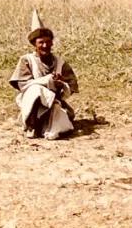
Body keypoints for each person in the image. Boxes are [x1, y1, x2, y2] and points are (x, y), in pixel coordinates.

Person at [9, 10, 79, 140]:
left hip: (53, 103)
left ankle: (45, 124)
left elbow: (71, 86)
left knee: (60, 128)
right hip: (32, 104)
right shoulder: (27, 60)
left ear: (52, 43)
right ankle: (32, 126)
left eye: (48, 42)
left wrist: (61, 84)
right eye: (41, 42)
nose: (45, 45)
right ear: (34, 44)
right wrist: (47, 81)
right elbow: (23, 85)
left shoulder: (60, 63)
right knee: (36, 89)